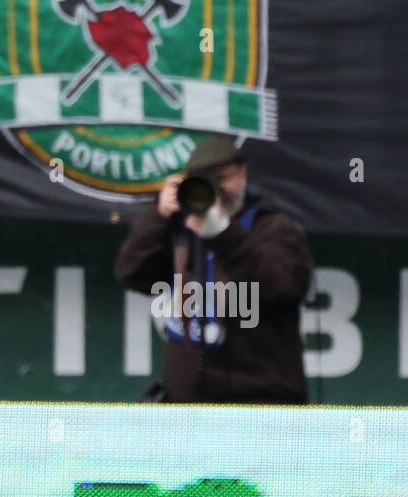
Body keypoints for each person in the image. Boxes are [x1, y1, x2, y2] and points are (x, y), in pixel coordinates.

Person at [115, 136, 314, 403]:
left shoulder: (273, 228)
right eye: (204, 184)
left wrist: (223, 233)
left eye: (221, 180)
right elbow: (132, 273)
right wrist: (159, 217)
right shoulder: (182, 230)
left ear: (242, 173)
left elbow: (283, 285)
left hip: (260, 405)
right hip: (188, 406)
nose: (216, 192)